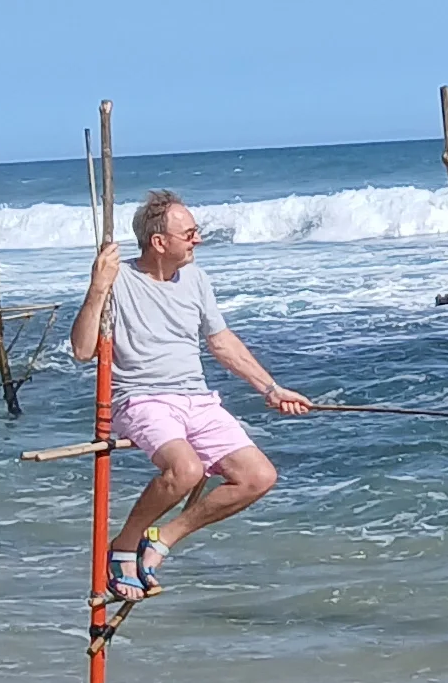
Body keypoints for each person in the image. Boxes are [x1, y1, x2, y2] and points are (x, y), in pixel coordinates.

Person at [71, 192, 307, 606]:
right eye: (190, 233)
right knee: (186, 470)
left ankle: (162, 539)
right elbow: (82, 349)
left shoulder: (196, 279)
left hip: (197, 398)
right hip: (142, 398)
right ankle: (124, 547)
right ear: (159, 242)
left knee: (258, 477)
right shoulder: (119, 279)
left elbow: (220, 342)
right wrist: (97, 288)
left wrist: (271, 389)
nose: (197, 241)